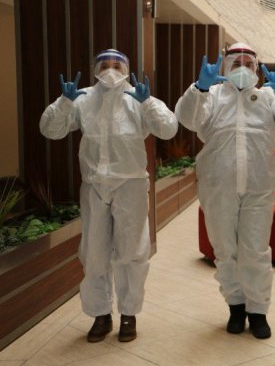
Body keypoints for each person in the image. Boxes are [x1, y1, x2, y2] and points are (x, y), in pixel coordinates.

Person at [40, 49, 178, 343]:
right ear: (95, 68)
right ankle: (100, 314)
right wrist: (64, 102)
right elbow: (50, 130)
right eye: (105, 64)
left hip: (130, 185)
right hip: (94, 185)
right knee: (94, 252)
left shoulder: (137, 97)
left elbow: (168, 129)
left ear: (126, 69)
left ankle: (129, 313)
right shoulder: (83, 99)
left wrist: (148, 103)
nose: (111, 69)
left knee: (132, 251)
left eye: (117, 65)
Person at [175, 42, 275, 339]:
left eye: (249, 64)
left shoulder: (267, 97)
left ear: (257, 69)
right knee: (225, 250)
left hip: (259, 188)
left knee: (255, 251)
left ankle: (258, 310)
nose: (243, 69)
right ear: (225, 66)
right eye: (237, 64)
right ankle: (236, 306)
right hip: (218, 186)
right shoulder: (211, 96)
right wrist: (199, 88)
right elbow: (187, 118)